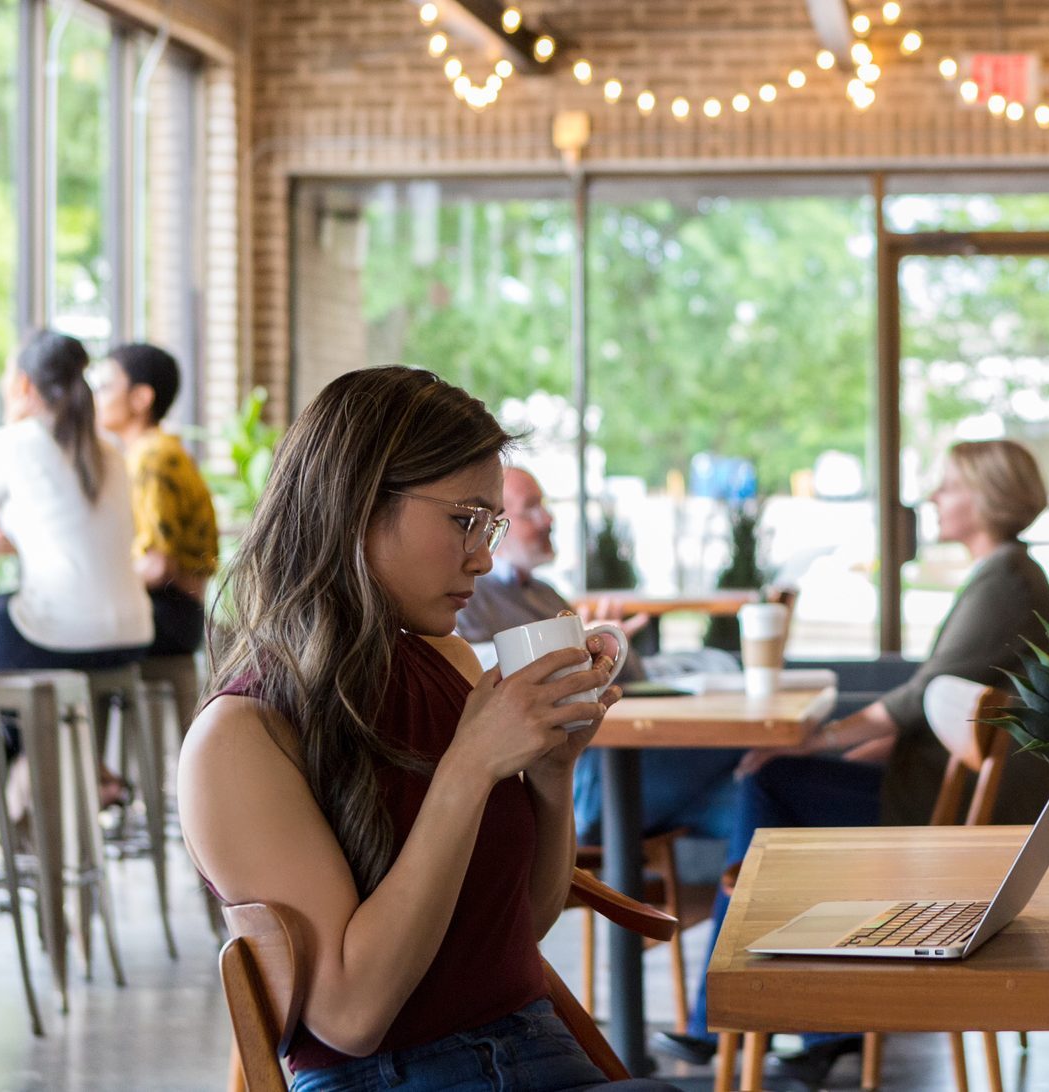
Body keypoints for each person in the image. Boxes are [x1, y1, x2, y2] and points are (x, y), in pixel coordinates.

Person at [178, 367, 676, 1092]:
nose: (485, 555)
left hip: (542, 1051)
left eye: (491, 525)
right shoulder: (241, 735)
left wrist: (551, 772)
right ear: (357, 502)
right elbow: (351, 1015)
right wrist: (468, 769)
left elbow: (520, 926)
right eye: (464, 520)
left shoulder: (450, 663)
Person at [656, 439, 1049, 1084]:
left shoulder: (1007, 579)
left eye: (949, 485)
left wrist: (818, 739)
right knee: (776, 792)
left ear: (989, 497)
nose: (933, 497)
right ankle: (792, 1024)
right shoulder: (1006, 573)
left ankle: (742, 1017)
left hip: (945, 808)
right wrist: (860, 744)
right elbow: (936, 700)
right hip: (938, 786)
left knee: (771, 779)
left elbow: (919, 696)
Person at [454, 466, 741, 847]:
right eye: (530, 509)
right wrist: (577, 647)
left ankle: (720, 890)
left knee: (750, 793)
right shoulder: (468, 598)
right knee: (740, 749)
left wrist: (608, 646)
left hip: (601, 766)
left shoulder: (544, 593)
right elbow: (474, 670)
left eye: (544, 506)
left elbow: (626, 677)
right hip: (580, 779)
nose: (548, 519)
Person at [0, 330, 153, 686]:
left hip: (63, 636)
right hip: (134, 634)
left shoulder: (12, 441)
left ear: (24, 385)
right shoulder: (113, 450)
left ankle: (14, 726)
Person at [90, 342, 220, 656]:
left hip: (167, 614)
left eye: (105, 387)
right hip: (182, 614)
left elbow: (158, 566)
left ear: (141, 398)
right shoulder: (160, 450)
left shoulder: (151, 457)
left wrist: (92, 586)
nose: (95, 398)